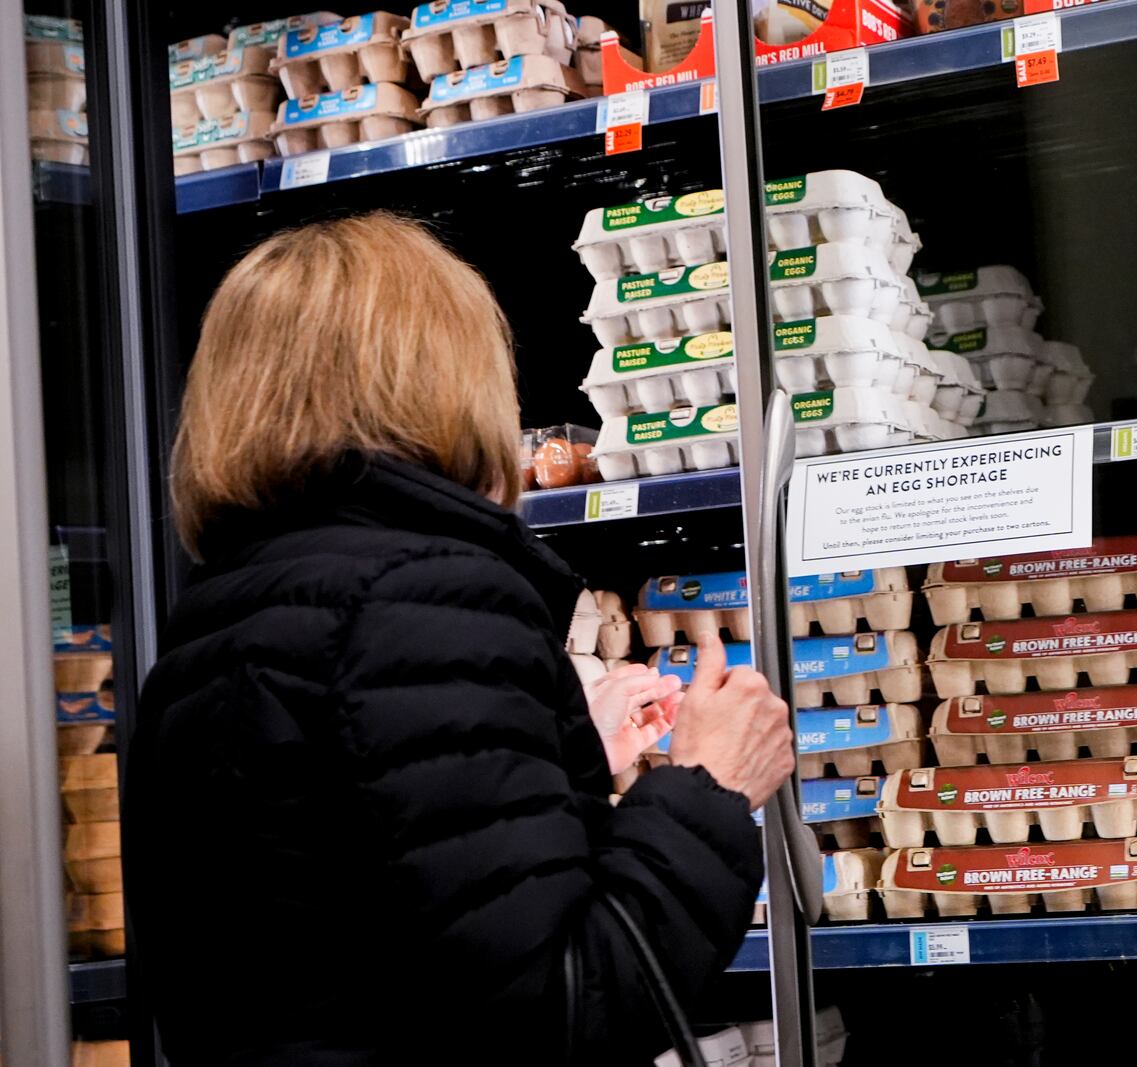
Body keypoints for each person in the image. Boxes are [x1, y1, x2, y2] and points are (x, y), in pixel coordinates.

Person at [125, 212, 795, 1065]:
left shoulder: (216, 621)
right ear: (445, 378)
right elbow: (563, 1009)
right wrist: (710, 785)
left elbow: (350, 926)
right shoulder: (424, 598)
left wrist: (556, 752)